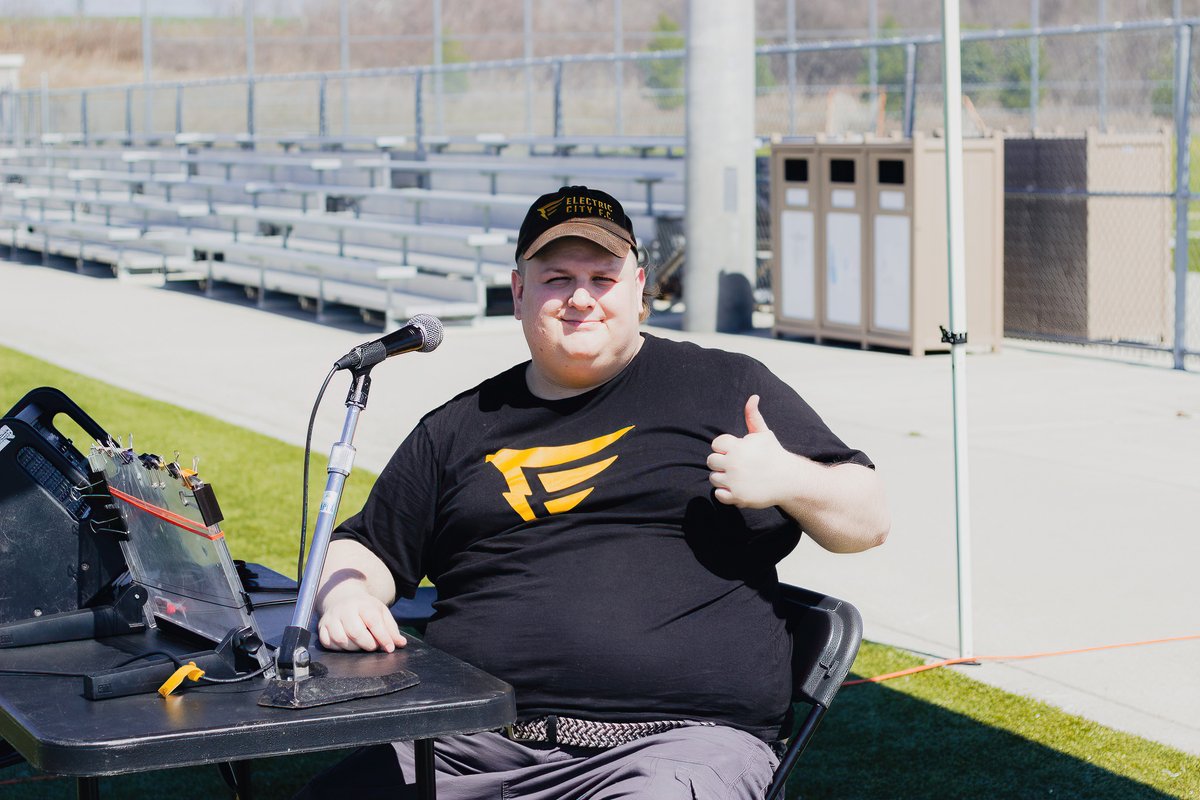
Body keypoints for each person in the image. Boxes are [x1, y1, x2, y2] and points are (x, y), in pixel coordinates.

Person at [297, 185, 889, 800]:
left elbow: (868, 518)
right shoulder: (458, 426)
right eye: (556, 277)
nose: (580, 298)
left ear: (639, 289)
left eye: (602, 277)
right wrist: (346, 596)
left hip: (673, 747)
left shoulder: (725, 386)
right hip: (468, 742)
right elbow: (364, 547)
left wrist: (791, 477)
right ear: (520, 291)